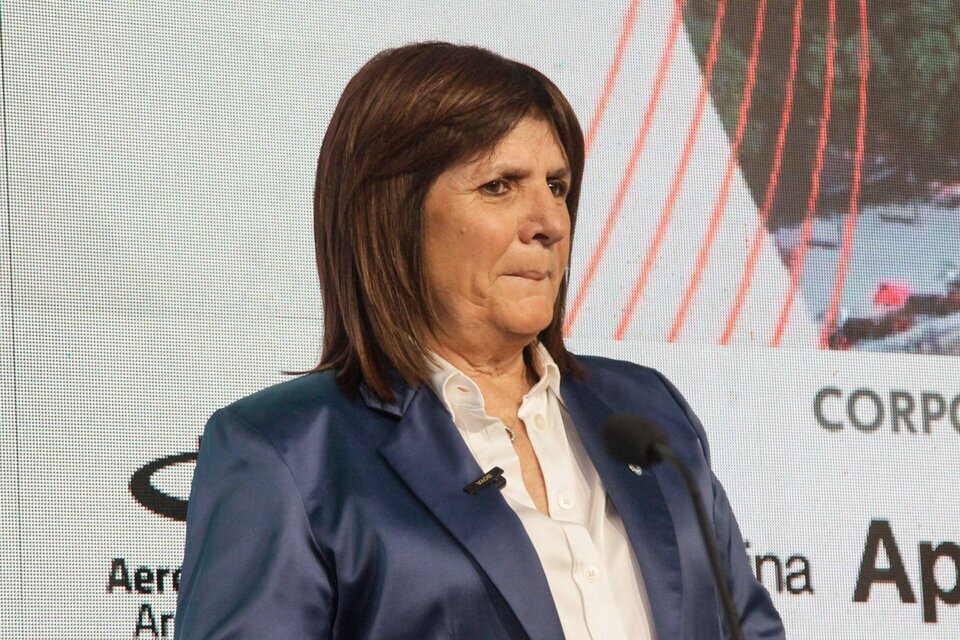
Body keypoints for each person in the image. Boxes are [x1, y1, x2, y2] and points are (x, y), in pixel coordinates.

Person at [175, 42, 786, 639]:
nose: (550, 222)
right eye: (500, 185)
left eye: (557, 186)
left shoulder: (648, 410)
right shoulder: (286, 453)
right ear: (394, 214)